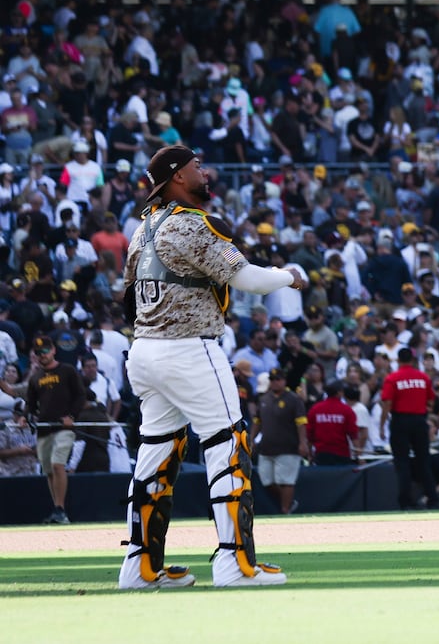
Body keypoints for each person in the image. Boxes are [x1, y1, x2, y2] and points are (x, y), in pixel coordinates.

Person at [118, 144, 305, 589]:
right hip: (188, 349)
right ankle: (234, 563)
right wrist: (288, 273)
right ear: (177, 177)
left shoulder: (142, 230)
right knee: (229, 443)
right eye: (195, 165)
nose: (203, 170)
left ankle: (140, 567)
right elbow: (248, 279)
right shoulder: (190, 223)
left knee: (156, 456)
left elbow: (127, 299)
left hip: (144, 350)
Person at [26, 334, 84, 524]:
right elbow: (31, 405)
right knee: (49, 470)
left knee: (58, 464)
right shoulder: (35, 378)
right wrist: (24, 417)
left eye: (44, 350)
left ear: (53, 350)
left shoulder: (67, 371)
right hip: (44, 429)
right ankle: (57, 509)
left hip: (63, 427)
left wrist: (72, 417)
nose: (42, 354)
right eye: (38, 352)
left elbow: (80, 396)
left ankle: (60, 508)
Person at [379, 346, 437, 510]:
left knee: (402, 463)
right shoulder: (423, 378)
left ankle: (406, 501)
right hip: (419, 421)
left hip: (400, 421)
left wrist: (383, 425)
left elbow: (387, 403)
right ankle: (432, 498)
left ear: (398, 360)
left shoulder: (393, 378)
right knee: (423, 461)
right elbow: (431, 401)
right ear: (412, 360)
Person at [252, 368, 307, 515]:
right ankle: (288, 502)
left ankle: (285, 509)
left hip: (288, 446)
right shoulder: (264, 399)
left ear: (284, 381)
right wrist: (251, 439)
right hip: (266, 447)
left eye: (278, 379)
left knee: (286, 480)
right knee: (266, 481)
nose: (275, 382)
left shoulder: (294, 399)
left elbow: (301, 422)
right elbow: (257, 421)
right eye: (273, 380)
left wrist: (303, 442)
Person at [307, 381, 362, 464]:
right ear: (339, 393)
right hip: (341, 454)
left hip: (321, 454)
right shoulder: (346, 410)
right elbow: (353, 434)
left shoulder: (315, 409)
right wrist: (360, 456)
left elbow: (310, 434)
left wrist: (309, 454)